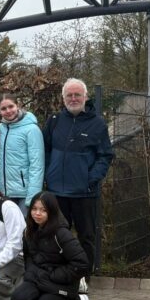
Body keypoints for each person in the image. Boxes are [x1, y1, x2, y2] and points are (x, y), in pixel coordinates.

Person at [43, 78, 114, 285]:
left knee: (86, 237)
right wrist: (49, 174)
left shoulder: (97, 123)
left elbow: (105, 155)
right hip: (57, 191)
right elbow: (45, 150)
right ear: (63, 98)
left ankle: (84, 279)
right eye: (69, 95)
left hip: (84, 192)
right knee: (55, 236)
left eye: (77, 95)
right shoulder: (54, 120)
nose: (73, 99)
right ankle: (59, 276)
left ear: (85, 97)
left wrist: (90, 179)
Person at [12, 192, 90, 300]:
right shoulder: (28, 231)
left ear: (52, 212)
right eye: (34, 209)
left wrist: (54, 275)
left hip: (61, 282)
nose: (37, 213)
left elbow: (81, 263)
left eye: (43, 210)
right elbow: (28, 257)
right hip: (40, 279)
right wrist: (31, 275)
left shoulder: (61, 233)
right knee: (18, 298)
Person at [0, 94, 43, 216]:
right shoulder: (0, 129)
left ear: (18, 106)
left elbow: (37, 164)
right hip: (5, 193)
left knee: (24, 230)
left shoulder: (32, 129)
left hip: (25, 193)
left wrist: (33, 196)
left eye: (11, 106)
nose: (8, 111)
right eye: (3, 108)